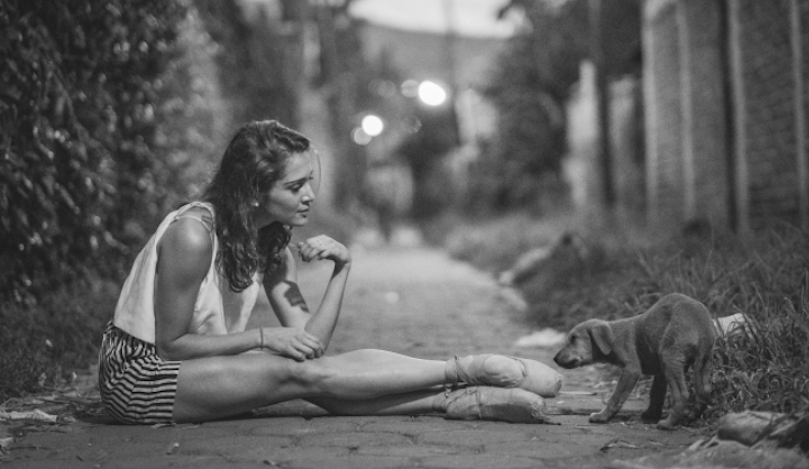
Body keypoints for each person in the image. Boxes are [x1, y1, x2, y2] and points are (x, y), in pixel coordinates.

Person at [98, 120, 562, 425]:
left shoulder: (270, 245)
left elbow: (310, 347)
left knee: (307, 372)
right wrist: (263, 338)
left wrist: (342, 269)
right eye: (295, 186)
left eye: (310, 182)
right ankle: (466, 371)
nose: (310, 196)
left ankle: (458, 399)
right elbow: (170, 344)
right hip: (140, 377)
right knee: (292, 376)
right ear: (254, 190)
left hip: (190, 369)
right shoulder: (193, 234)